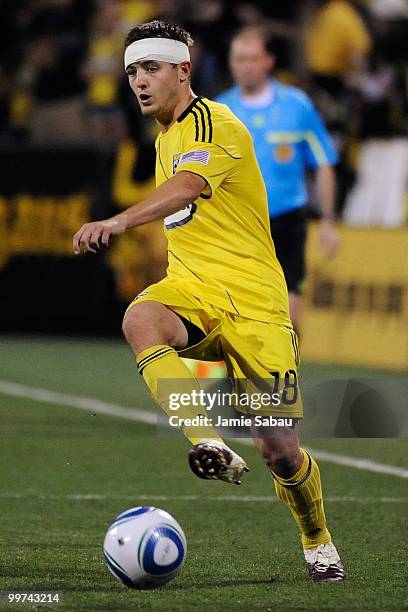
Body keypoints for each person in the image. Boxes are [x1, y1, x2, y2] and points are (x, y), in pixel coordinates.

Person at [73, 20, 345, 582]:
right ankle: (208, 441)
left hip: (255, 304)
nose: (139, 82)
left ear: (182, 70)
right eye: (131, 72)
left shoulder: (214, 123)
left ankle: (317, 540)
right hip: (194, 290)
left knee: (280, 452)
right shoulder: (163, 136)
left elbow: (189, 188)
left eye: (150, 69)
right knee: (141, 319)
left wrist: (119, 220)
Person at [217, 27, 339, 335]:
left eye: (253, 58)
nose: (246, 66)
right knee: (230, 320)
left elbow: (323, 162)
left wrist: (327, 220)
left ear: (268, 61)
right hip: (237, 225)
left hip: (286, 223)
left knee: (286, 320)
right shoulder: (219, 111)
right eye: (239, 59)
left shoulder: (296, 106)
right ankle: (232, 382)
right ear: (231, 64)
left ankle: (282, 382)